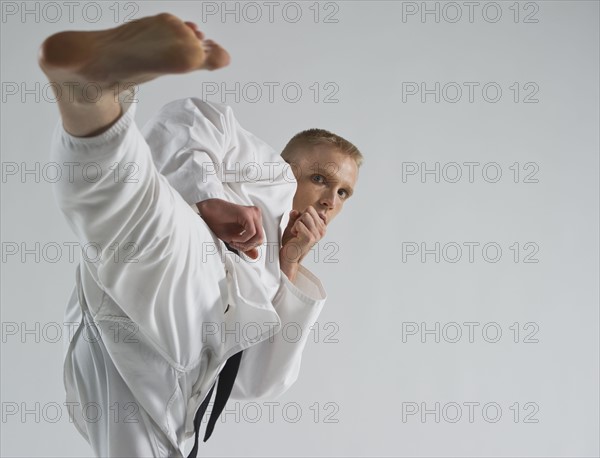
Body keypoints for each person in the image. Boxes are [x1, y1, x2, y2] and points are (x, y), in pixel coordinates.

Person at [39, 12, 362, 457]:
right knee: (129, 203)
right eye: (322, 178)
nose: (330, 200)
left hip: (155, 374)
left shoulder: (276, 275)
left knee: (121, 208)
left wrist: (288, 266)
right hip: (191, 263)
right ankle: (89, 93)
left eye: (344, 192)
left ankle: (88, 90)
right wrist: (208, 198)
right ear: (289, 164)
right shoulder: (268, 173)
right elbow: (189, 117)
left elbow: (255, 383)